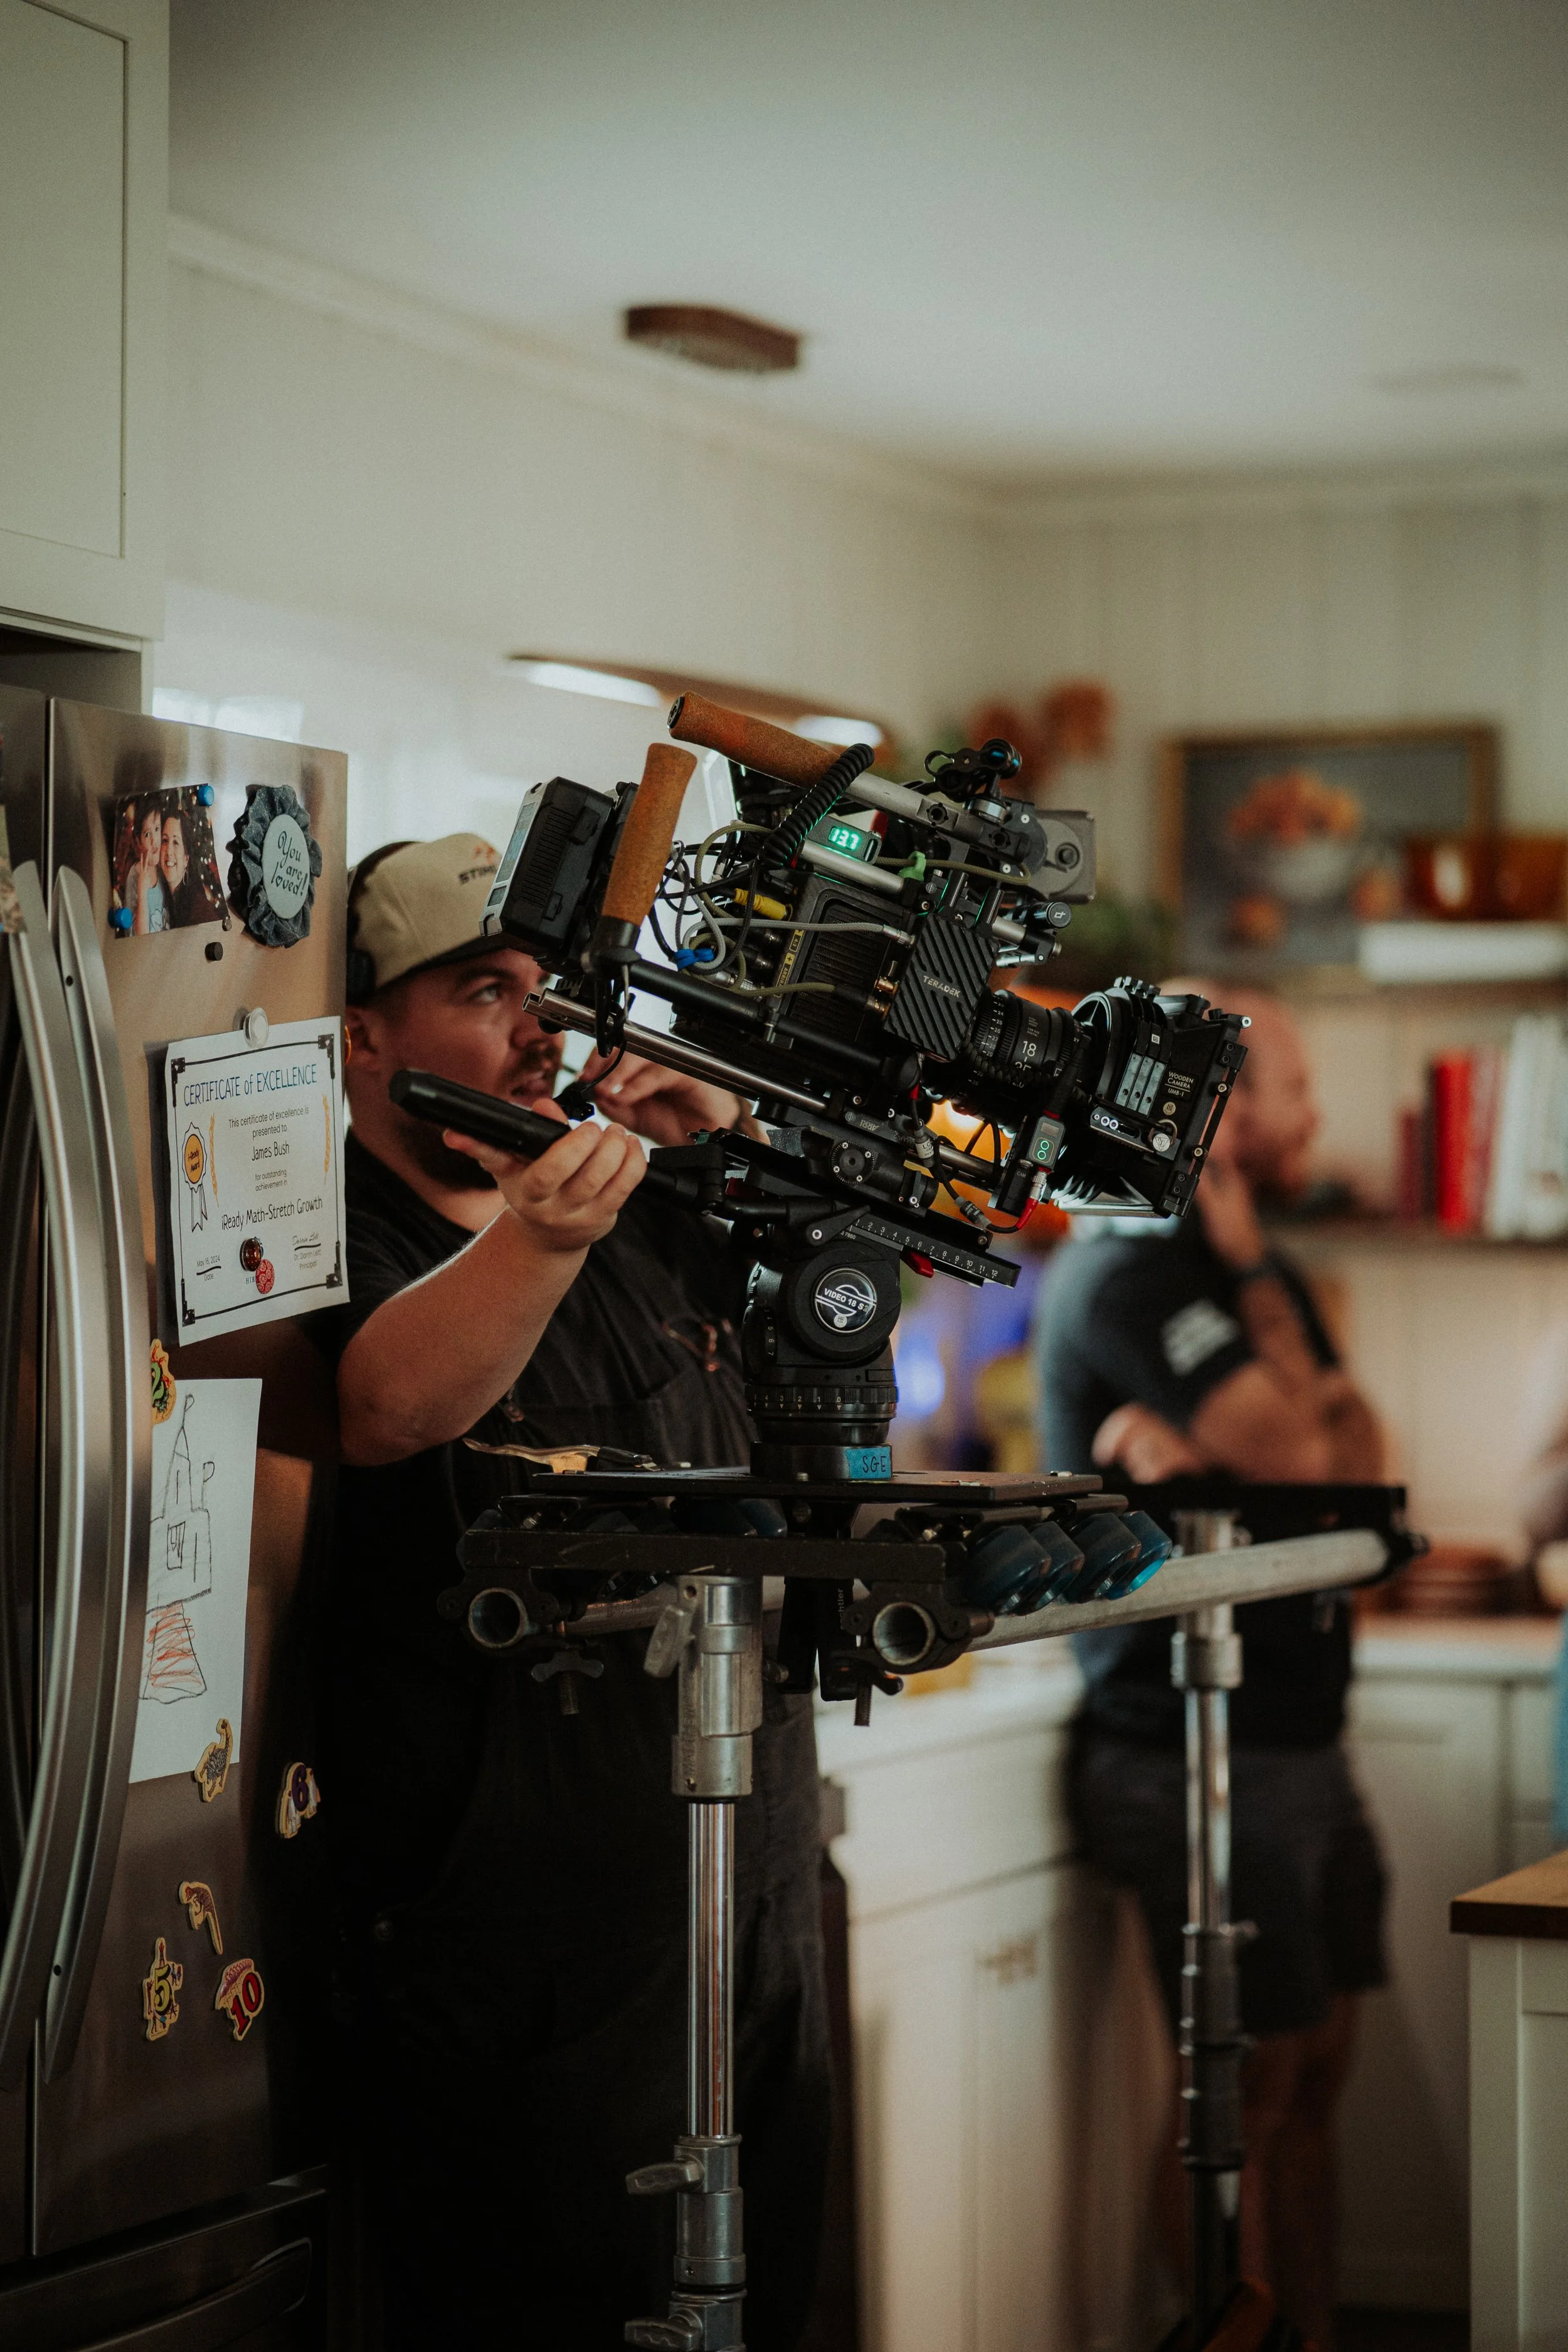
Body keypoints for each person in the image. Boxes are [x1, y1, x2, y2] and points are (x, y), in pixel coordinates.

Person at [314, 835, 829, 2352]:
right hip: (523, 1961)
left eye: (558, 990)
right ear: (367, 1035)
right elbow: (385, 1408)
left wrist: (732, 1131)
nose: (541, 1025)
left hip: (748, 1903)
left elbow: (854, 1300)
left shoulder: (644, 1216)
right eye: (487, 989)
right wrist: (544, 1226)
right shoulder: (345, 1226)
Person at [1037, 983, 1387, 2350]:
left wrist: (1264, 1315)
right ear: (1224, 1114)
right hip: (1188, 1745)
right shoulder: (1138, 1263)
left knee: (1315, 2084)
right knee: (1237, 2101)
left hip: (1295, 1739)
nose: (1307, 1115)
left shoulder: (1248, 1265)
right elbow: (1308, 1452)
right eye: (1285, 1088)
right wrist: (1273, 1360)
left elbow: (1357, 1460)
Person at [121, 794, 169, 932]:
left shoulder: (162, 871)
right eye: (147, 834)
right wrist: (142, 892)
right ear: (138, 842)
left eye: (157, 829)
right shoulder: (135, 875)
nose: (155, 841)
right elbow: (134, 934)